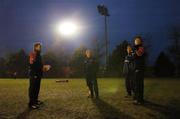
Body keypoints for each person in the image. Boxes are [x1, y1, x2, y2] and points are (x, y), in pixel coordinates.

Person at [28, 42, 50, 109]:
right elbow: (32, 64)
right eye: (38, 46)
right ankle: (31, 103)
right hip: (34, 74)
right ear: (35, 47)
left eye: (40, 47)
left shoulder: (39, 55)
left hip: (38, 74)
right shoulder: (33, 54)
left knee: (37, 89)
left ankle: (35, 101)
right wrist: (42, 67)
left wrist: (45, 67)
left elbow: (39, 65)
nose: (39, 48)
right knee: (33, 89)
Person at [133, 36, 145, 105]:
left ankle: (139, 100)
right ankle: (138, 98)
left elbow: (138, 54)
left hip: (140, 70)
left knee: (139, 85)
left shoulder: (141, 48)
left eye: (137, 40)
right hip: (136, 70)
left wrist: (135, 50)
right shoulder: (136, 48)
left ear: (140, 41)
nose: (136, 41)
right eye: (135, 40)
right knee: (137, 85)